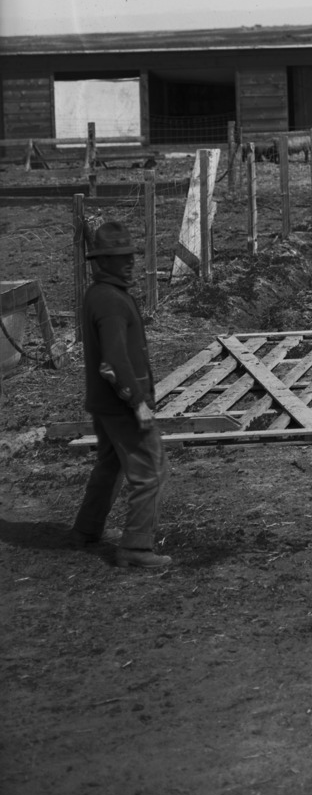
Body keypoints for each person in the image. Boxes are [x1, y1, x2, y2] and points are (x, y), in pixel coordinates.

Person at [70, 221, 170, 570]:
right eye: (119, 257)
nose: (129, 263)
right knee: (151, 469)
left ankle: (85, 530)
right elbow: (114, 360)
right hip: (120, 404)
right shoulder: (111, 301)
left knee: (110, 465)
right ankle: (136, 547)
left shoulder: (101, 293)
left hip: (104, 402)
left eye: (129, 255)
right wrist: (137, 402)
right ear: (102, 261)